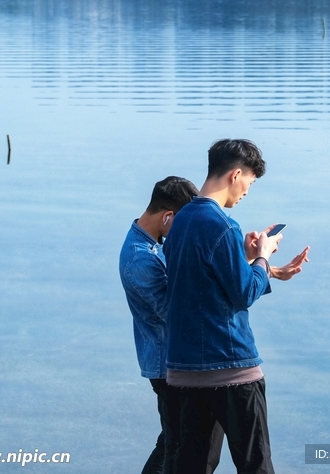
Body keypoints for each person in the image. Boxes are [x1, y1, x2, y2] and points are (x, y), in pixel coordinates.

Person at [164, 139, 309, 474]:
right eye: (250, 182)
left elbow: (200, 283)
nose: (247, 191)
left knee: (191, 466)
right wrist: (263, 256)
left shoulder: (181, 221)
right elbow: (244, 293)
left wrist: (244, 258)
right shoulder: (224, 225)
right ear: (236, 174)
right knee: (255, 465)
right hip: (232, 367)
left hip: (185, 368)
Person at [119, 176, 224, 474]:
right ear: (168, 216)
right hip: (166, 367)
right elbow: (174, 312)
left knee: (172, 442)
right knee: (180, 446)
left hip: (169, 360)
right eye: (183, 223)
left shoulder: (152, 246)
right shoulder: (140, 260)